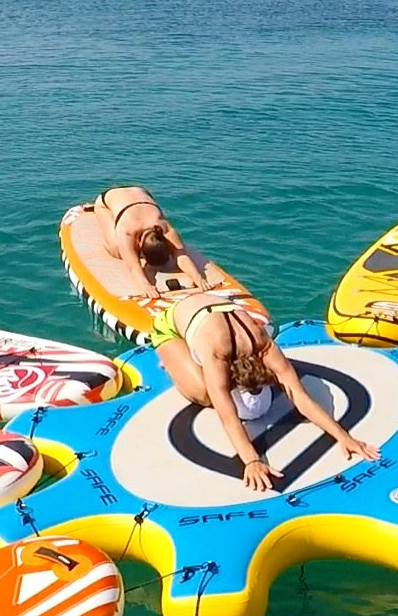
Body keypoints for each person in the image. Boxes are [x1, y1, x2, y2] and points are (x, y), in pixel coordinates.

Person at [148, 290, 377, 492]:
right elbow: (227, 417)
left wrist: (343, 436)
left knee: (258, 385)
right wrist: (251, 461)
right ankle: (171, 363)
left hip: (214, 309)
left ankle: (185, 360)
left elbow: (300, 396)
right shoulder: (217, 354)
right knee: (204, 392)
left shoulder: (263, 344)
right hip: (172, 324)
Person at [88, 187, 220, 298]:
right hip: (106, 202)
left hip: (142, 193)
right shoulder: (128, 231)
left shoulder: (165, 228)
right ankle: (97, 210)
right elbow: (134, 265)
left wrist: (198, 278)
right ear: (139, 244)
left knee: (127, 249)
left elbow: (181, 255)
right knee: (117, 250)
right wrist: (145, 285)